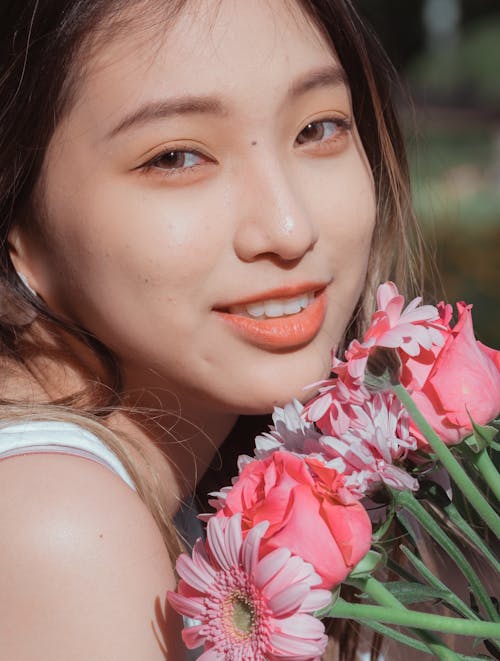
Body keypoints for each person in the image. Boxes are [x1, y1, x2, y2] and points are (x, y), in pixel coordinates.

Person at [0, 0, 422, 658]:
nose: (288, 228)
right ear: (16, 217)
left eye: (318, 128)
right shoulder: (59, 527)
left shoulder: (154, 491)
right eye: (174, 156)